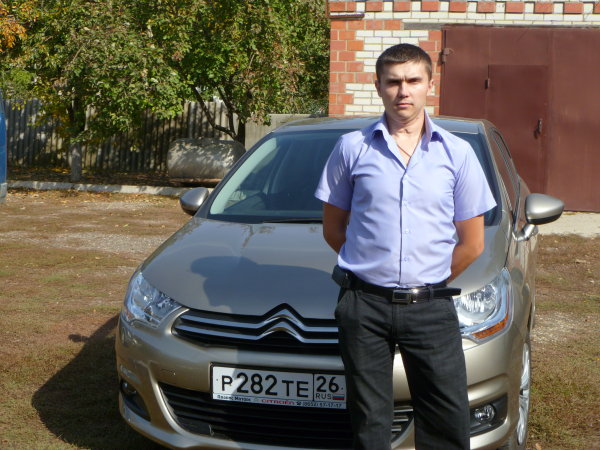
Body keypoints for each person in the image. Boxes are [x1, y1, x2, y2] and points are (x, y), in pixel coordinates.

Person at [314, 44, 496, 449]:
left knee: (446, 418)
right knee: (369, 421)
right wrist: (372, 269)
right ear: (378, 85)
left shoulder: (457, 153)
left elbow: (472, 243)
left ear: (430, 84)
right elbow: (333, 229)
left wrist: (424, 281)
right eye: (393, 81)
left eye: (413, 80)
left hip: (430, 307)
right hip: (364, 306)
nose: (403, 91)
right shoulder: (351, 148)